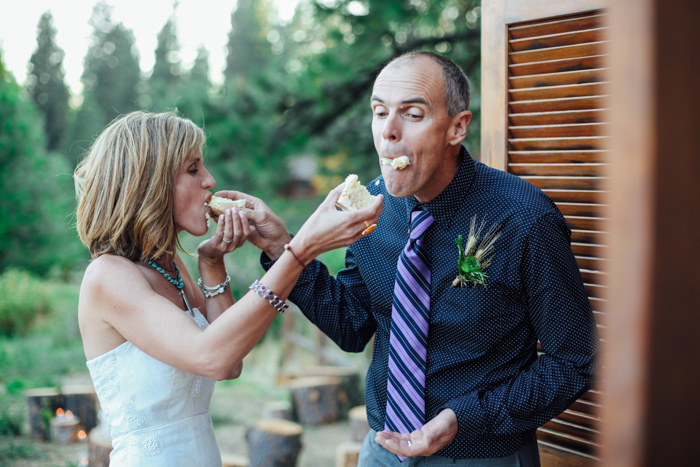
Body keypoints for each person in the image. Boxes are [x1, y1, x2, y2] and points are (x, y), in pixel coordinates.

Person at [233, 52, 598, 466]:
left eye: (412, 114)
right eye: (379, 111)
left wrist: (465, 418)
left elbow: (575, 363)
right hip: (381, 450)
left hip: (482, 456)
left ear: (457, 127)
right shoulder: (372, 207)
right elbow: (354, 325)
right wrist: (281, 246)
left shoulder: (526, 220)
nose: (388, 131)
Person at [73, 111, 382, 466]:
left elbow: (231, 361)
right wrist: (300, 251)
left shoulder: (172, 268)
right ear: (149, 183)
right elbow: (212, 358)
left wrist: (212, 264)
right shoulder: (108, 276)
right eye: (193, 170)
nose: (210, 180)